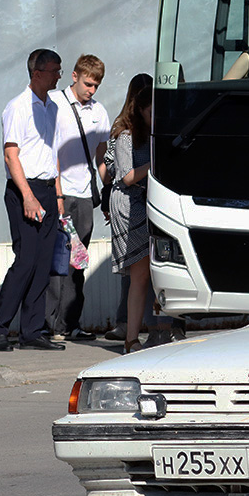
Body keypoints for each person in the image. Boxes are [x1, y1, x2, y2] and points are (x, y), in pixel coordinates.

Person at [0, 50, 65, 352]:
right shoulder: (18, 107)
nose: (58, 74)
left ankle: (32, 331)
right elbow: (11, 154)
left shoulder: (52, 107)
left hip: (46, 188)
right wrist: (28, 197)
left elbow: (50, 152)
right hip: (25, 189)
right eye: (54, 70)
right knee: (26, 261)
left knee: (43, 262)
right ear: (36, 72)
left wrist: (56, 194)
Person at [46, 54, 110, 342]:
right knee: (56, 259)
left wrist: (108, 190)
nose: (91, 90)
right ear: (74, 76)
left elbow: (101, 156)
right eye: (87, 84)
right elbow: (50, 151)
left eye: (96, 86)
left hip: (85, 195)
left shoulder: (99, 111)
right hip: (60, 191)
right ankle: (50, 324)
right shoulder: (55, 103)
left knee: (77, 260)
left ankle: (71, 323)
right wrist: (57, 194)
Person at [107, 73, 155, 353]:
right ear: (139, 109)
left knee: (147, 274)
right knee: (140, 275)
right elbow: (125, 176)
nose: (154, 118)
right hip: (129, 206)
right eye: (150, 112)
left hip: (146, 204)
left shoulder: (150, 133)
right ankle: (131, 339)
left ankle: (142, 334)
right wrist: (155, 162)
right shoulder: (125, 134)